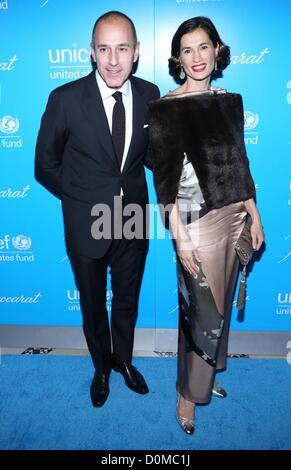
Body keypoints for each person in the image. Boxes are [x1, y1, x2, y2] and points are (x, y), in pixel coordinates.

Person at [35, 11, 160, 408]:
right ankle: (101, 367)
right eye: (104, 49)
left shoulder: (150, 95)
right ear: (91, 52)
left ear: (136, 52)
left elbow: (156, 158)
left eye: (122, 48)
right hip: (85, 224)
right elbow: (44, 166)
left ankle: (123, 361)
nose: (113, 59)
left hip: (134, 220)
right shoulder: (65, 99)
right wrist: (79, 201)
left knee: (127, 300)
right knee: (92, 305)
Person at [149, 16, 264, 434]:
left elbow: (240, 163)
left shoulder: (229, 100)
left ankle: (205, 376)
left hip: (234, 218)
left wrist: (254, 214)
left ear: (217, 50)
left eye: (203, 46)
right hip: (195, 225)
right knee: (202, 313)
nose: (196, 57)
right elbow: (164, 186)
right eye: (187, 50)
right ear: (177, 59)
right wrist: (179, 238)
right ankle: (187, 395)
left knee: (218, 309)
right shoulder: (166, 108)